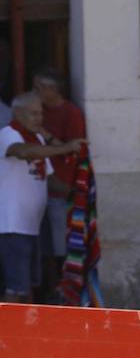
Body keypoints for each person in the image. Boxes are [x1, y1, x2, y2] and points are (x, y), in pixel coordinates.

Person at [2, 94, 85, 303]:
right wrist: (65, 148)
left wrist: (77, 192)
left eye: (41, 113)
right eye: (33, 113)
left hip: (32, 225)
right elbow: (22, 153)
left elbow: (48, 179)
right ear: (17, 113)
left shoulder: (37, 138)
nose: (39, 118)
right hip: (12, 226)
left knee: (29, 285)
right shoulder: (8, 134)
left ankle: (24, 333)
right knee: (15, 288)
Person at [32, 68, 86, 301]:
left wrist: (44, 135)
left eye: (38, 88)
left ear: (51, 90)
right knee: (41, 244)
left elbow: (74, 150)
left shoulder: (71, 113)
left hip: (60, 189)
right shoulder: (37, 111)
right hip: (36, 186)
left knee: (59, 246)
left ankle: (61, 292)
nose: (33, 92)